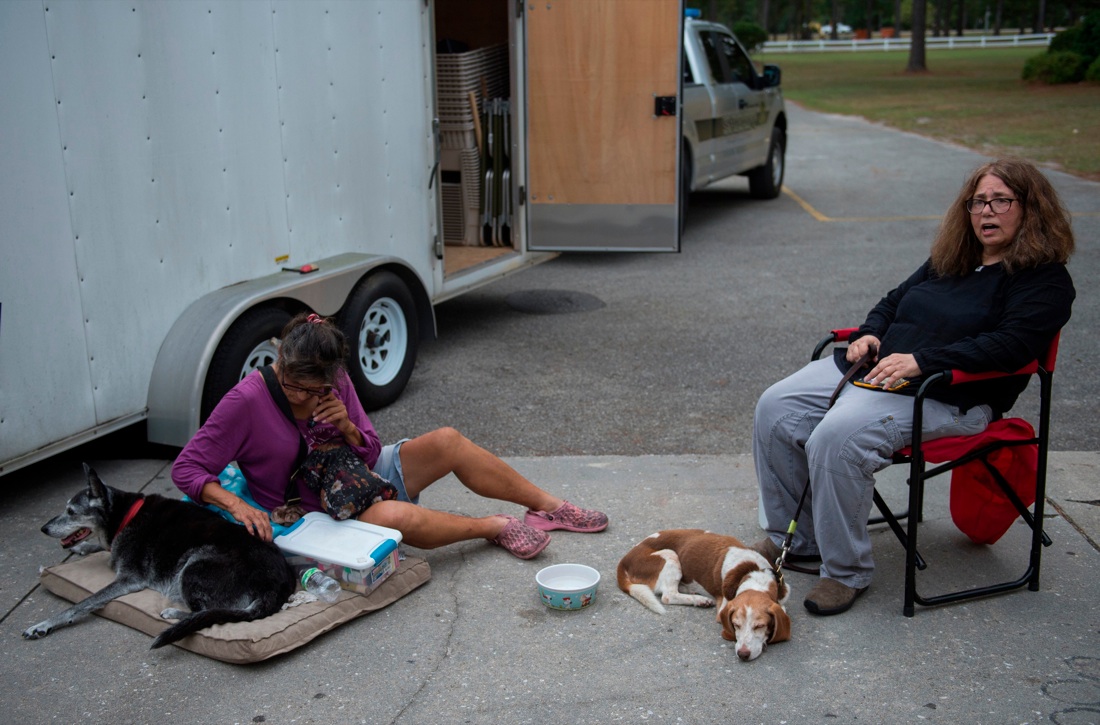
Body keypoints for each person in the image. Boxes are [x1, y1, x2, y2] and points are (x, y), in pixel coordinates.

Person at [751, 158, 1076, 616]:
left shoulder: (1044, 281)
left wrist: (925, 362)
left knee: (836, 436)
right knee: (775, 406)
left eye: (1002, 201)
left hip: (951, 395)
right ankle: (799, 538)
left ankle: (845, 572)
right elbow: (894, 301)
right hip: (877, 369)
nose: (987, 212)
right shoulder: (952, 261)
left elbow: (1010, 346)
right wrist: (870, 331)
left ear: (1031, 209)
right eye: (978, 201)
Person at [172, 313, 608, 560]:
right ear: (280, 363)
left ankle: (548, 508)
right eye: (294, 387)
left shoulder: (335, 381)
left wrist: (345, 424)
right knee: (397, 517)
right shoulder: (247, 400)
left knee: (447, 440)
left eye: (316, 390)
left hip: (357, 476)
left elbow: (372, 449)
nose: (305, 398)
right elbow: (187, 466)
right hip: (311, 508)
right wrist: (232, 501)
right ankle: (492, 527)